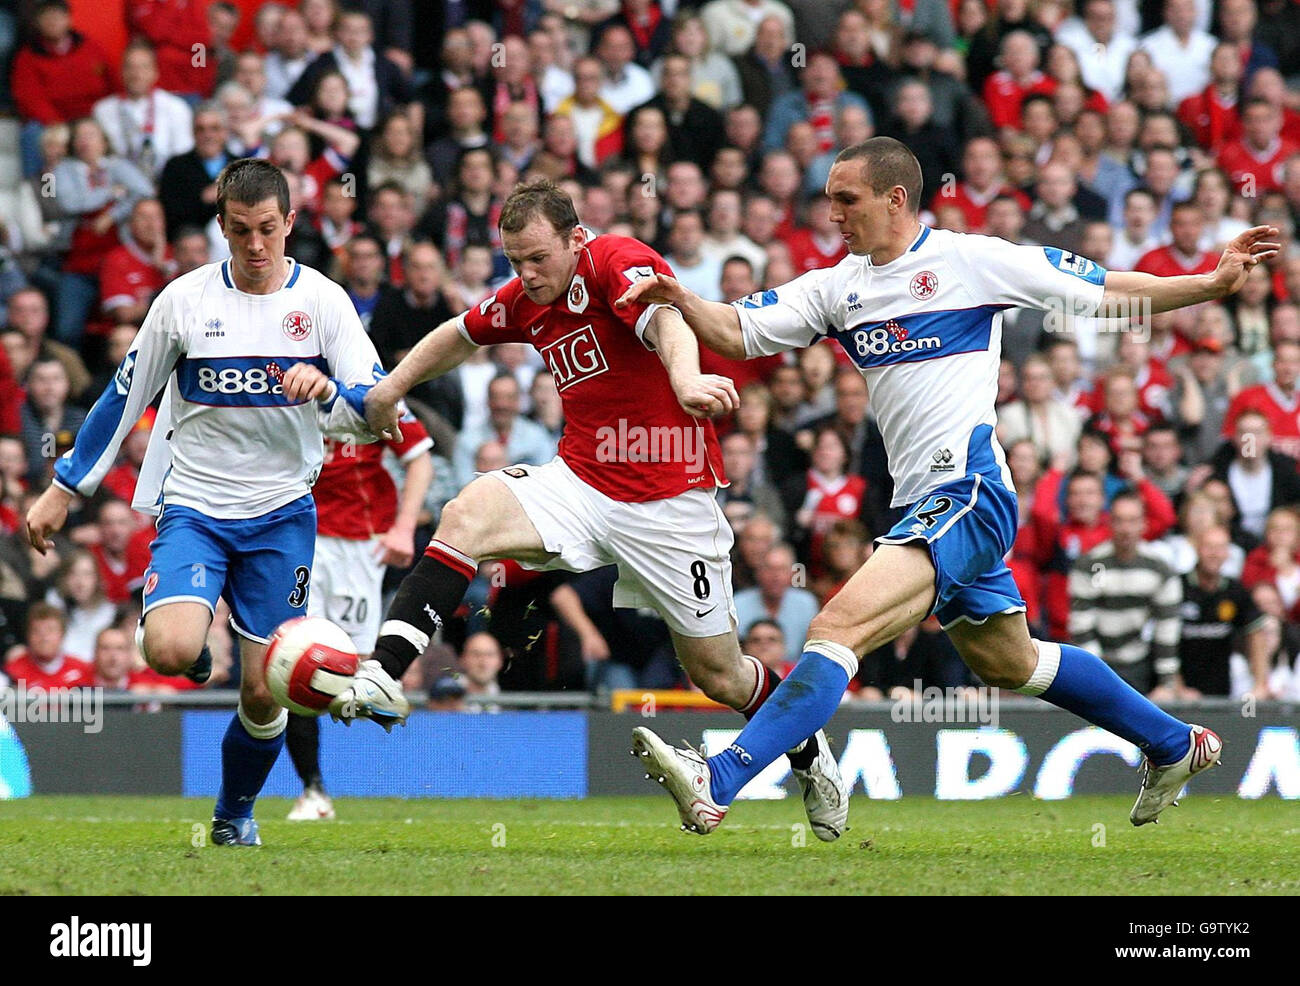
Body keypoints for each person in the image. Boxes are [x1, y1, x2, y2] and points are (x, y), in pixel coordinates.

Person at [616, 136, 1277, 834]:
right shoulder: (838, 286)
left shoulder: (972, 259)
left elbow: (1106, 290)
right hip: (921, 505)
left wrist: (1207, 283)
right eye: (830, 200)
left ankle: (719, 777)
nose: (834, 214)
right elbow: (739, 332)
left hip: (969, 492)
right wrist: (680, 296)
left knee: (836, 627)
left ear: (895, 198)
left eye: (848, 200)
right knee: (1010, 661)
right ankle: (1176, 743)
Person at [356, 178, 849, 840]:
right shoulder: (527, 298)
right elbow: (459, 333)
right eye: (513, 262)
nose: (526, 276)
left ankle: (811, 754)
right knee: (467, 513)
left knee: (719, 674)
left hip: (672, 503)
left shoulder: (614, 259)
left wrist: (684, 378)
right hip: (583, 483)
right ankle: (384, 673)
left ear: (574, 237)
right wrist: (389, 389)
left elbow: (667, 320)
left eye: (537, 258)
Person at [24, 158, 386, 847]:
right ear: (221, 226)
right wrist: (64, 487)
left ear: (292, 225)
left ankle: (232, 815)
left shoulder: (325, 305)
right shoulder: (184, 302)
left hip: (282, 513)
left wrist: (330, 393)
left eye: (269, 231)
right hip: (194, 505)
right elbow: (122, 395)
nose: (255, 247)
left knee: (262, 691)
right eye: (241, 230)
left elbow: (375, 410)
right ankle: (182, 640)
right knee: (169, 652)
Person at [285, 405, 433, 822]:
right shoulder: (281, 380)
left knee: (357, 668)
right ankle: (312, 790)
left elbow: (419, 458)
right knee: (298, 656)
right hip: (300, 537)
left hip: (358, 546)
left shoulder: (371, 391)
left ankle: (404, 764)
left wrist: (405, 527)